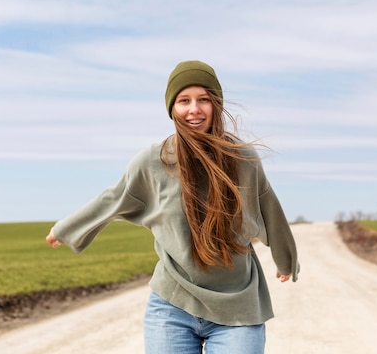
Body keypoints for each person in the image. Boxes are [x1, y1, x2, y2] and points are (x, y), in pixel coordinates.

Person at [46, 60, 299, 354]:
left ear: (216, 105)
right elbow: (114, 198)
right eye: (184, 100)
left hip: (238, 306)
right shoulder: (153, 161)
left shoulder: (243, 159)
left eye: (204, 99)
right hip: (172, 306)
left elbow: (268, 206)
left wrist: (285, 258)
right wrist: (66, 229)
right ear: (172, 108)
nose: (194, 109)